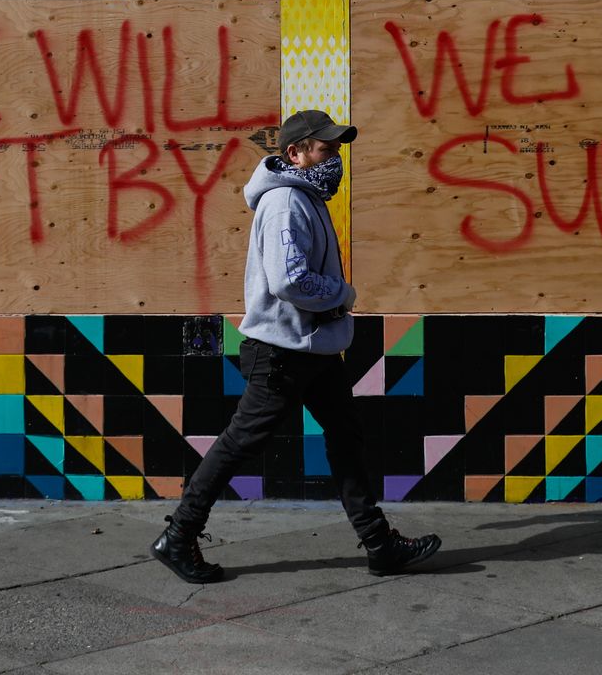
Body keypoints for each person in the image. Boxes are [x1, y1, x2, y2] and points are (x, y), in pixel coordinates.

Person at [151, 110, 442, 583]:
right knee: (239, 443)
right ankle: (178, 536)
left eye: (337, 149)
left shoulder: (306, 196)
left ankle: (378, 543)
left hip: (314, 347)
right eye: (326, 149)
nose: (336, 158)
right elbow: (290, 280)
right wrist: (343, 295)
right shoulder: (286, 201)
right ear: (295, 153)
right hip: (284, 350)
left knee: (345, 437)